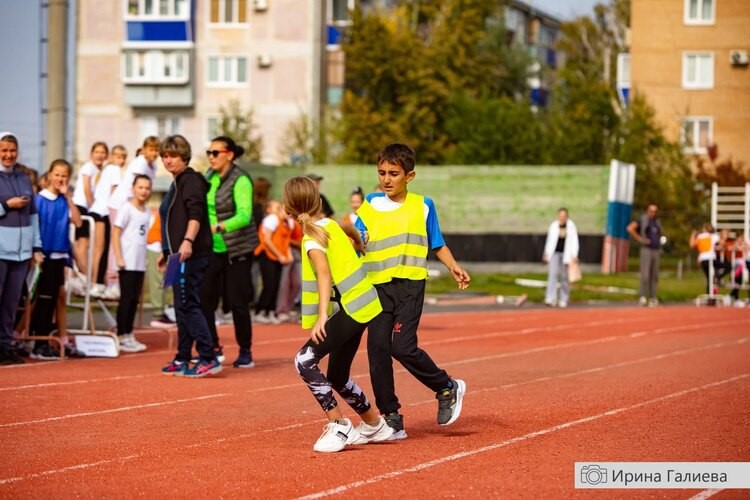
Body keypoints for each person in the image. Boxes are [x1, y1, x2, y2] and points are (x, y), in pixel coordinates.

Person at [355, 143, 469, 439]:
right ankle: (391, 417)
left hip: (409, 285)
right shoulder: (369, 204)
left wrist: (453, 266)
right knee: (377, 350)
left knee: (401, 347)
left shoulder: (423, 205)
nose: (386, 179)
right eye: (382, 173)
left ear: (410, 175)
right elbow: (355, 240)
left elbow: (437, 242)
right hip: (377, 287)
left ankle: (446, 387)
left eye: (394, 173)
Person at [284, 176, 393, 452]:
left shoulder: (310, 240)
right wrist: (358, 243)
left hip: (352, 309)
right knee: (338, 374)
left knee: (304, 360)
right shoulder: (328, 224)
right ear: (317, 201)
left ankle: (339, 424)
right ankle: (374, 424)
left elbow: (324, 274)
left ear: (288, 208)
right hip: (364, 304)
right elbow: (348, 227)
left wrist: (322, 316)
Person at [157, 135, 221, 378]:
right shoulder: (175, 183)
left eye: (172, 155)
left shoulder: (191, 180)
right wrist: (167, 253)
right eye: (164, 155)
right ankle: (183, 356)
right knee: (180, 307)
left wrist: (187, 241)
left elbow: (195, 215)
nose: (167, 160)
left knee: (189, 304)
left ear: (184, 156)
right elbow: (171, 221)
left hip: (192, 253)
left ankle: (208, 356)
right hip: (177, 256)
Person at [200, 136, 259, 368]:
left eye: (215, 152)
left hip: (237, 249)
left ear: (230, 155)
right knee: (205, 299)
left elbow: (244, 215)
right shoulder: (209, 177)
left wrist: (219, 226)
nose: (211, 157)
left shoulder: (241, 179)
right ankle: (213, 346)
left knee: (237, 302)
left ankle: (245, 351)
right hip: (212, 248)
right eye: (209, 152)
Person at [29, 159, 83, 360]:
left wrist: (68, 196)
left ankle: (41, 343)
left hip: (60, 255)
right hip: (44, 255)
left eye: (64, 175)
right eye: (57, 174)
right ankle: (38, 345)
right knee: (42, 300)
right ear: (49, 175)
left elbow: (77, 221)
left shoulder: (64, 200)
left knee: (52, 300)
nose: (60, 179)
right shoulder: (39, 200)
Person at [0, 132, 43, 365]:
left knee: (12, 301)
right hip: (0, 249)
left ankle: (5, 346)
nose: (8, 155)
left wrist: (36, 246)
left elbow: (33, 215)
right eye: (4, 150)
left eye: (12, 150)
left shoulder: (24, 179)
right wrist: (6, 205)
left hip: (22, 252)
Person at [105, 137, 160, 299]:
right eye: (150, 149)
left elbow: (146, 188)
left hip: (135, 208)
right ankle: (112, 281)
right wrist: (133, 206)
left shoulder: (153, 166)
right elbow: (135, 185)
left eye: (156, 150)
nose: (154, 153)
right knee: (116, 239)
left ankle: (122, 280)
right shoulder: (140, 162)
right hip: (121, 204)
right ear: (143, 150)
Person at [112, 175, 152, 353]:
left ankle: (129, 332)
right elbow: (116, 232)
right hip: (127, 262)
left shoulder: (147, 211)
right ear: (133, 189)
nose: (143, 191)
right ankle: (121, 334)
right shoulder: (126, 209)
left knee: (135, 299)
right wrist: (119, 257)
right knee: (126, 299)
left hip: (139, 263)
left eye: (147, 188)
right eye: (140, 187)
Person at [89, 145, 127, 300]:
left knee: (99, 250)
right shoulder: (115, 170)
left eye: (123, 157)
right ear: (112, 156)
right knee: (101, 250)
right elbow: (115, 192)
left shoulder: (105, 170)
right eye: (118, 156)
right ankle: (96, 283)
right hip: (103, 211)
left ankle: (96, 282)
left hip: (98, 210)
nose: (121, 160)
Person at [71, 142, 108, 280]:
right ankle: (85, 277)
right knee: (82, 243)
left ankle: (86, 277)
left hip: (85, 208)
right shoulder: (89, 167)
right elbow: (86, 188)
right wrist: (94, 206)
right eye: (97, 152)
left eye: (102, 152)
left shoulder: (99, 170)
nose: (100, 155)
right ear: (91, 154)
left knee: (85, 245)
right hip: (81, 206)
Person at [254, 199, 293, 324]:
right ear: (268, 210)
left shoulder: (285, 222)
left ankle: (271, 311)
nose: (279, 209)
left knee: (276, 285)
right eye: (276, 207)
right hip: (267, 255)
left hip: (278, 256)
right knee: (269, 284)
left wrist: (287, 255)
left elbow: (286, 240)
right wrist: (280, 255)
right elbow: (267, 240)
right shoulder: (271, 219)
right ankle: (260, 311)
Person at [542, 208, 579, 308]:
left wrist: (574, 255)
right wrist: (546, 253)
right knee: (552, 275)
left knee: (564, 277)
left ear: (567, 216)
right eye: (560, 216)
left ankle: (564, 298)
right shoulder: (554, 226)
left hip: (566, 254)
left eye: (564, 216)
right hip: (554, 253)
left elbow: (575, 241)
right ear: (558, 216)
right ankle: (550, 298)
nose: (562, 218)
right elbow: (549, 240)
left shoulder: (571, 226)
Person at [627, 204, 662, 306]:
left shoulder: (657, 221)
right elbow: (630, 228)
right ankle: (642, 296)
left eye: (655, 211)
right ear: (647, 211)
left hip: (656, 249)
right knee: (645, 274)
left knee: (654, 275)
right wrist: (641, 239)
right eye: (651, 211)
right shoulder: (643, 219)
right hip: (646, 249)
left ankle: (652, 296)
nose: (653, 213)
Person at [690, 223, 730, 295]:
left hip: (703, 260)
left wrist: (693, 235)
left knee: (709, 278)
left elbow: (692, 245)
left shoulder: (699, 237)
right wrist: (724, 236)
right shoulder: (713, 236)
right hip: (710, 259)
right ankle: (717, 277)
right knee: (728, 266)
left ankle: (709, 296)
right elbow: (722, 243)